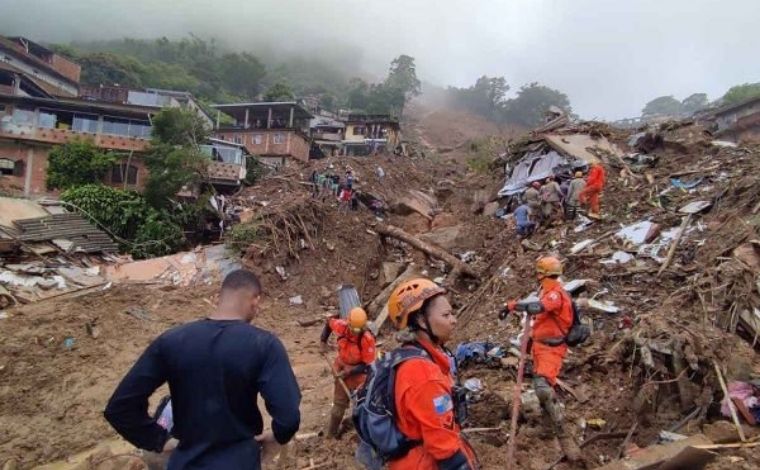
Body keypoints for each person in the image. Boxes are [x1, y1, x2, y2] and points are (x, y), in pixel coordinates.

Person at [104, 270, 301, 470]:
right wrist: (276, 436)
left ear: (219, 297)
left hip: (186, 462)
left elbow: (120, 408)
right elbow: (289, 416)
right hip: (240, 461)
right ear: (255, 301)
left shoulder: (172, 341)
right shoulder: (264, 344)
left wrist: (159, 440)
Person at [385, 278, 479, 470]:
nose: (453, 320)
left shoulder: (413, 356)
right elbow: (443, 447)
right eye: (446, 315)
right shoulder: (423, 373)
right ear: (421, 320)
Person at [502, 257, 583, 463]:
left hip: (551, 348)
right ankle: (547, 428)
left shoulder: (556, 293)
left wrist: (511, 306)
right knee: (542, 387)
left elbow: (539, 308)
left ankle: (564, 437)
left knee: (543, 387)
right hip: (540, 346)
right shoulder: (545, 291)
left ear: (541, 273)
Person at [320, 307, 376, 438]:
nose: (355, 332)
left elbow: (368, 365)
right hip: (341, 369)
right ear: (348, 323)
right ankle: (331, 435)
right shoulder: (342, 326)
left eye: (359, 329)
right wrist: (323, 342)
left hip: (359, 373)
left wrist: (351, 371)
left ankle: (360, 431)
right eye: (353, 329)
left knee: (362, 406)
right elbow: (328, 323)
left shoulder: (367, 339)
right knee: (338, 408)